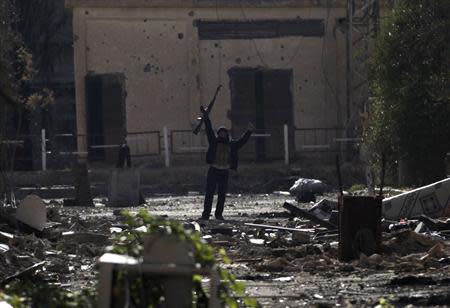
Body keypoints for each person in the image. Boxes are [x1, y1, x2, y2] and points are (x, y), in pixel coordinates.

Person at [200, 106, 254, 220]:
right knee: (209, 193)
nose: (222, 135)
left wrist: (249, 131)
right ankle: (205, 215)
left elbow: (242, 141)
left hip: (224, 171)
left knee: (221, 195)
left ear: (227, 135)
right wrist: (206, 117)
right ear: (218, 134)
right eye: (221, 133)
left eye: (224, 133)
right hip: (213, 170)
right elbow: (209, 130)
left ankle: (218, 214)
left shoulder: (232, 145)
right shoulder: (213, 142)